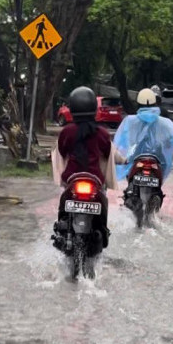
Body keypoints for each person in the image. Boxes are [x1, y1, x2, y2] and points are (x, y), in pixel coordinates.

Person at [56, 86, 113, 243]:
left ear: (72, 108)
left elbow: (62, 150)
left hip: (71, 177)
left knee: (63, 203)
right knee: (103, 202)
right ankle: (102, 229)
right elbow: (107, 152)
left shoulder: (67, 131)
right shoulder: (102, 133)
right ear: (94, 108)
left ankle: (62, 228)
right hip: (95, 178)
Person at [114, 88, 173, 188]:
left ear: (138, 103)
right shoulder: (166, 123)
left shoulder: (130, 121)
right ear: (155, 102)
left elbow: (119, 142)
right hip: (158, 157)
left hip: (135, 156)